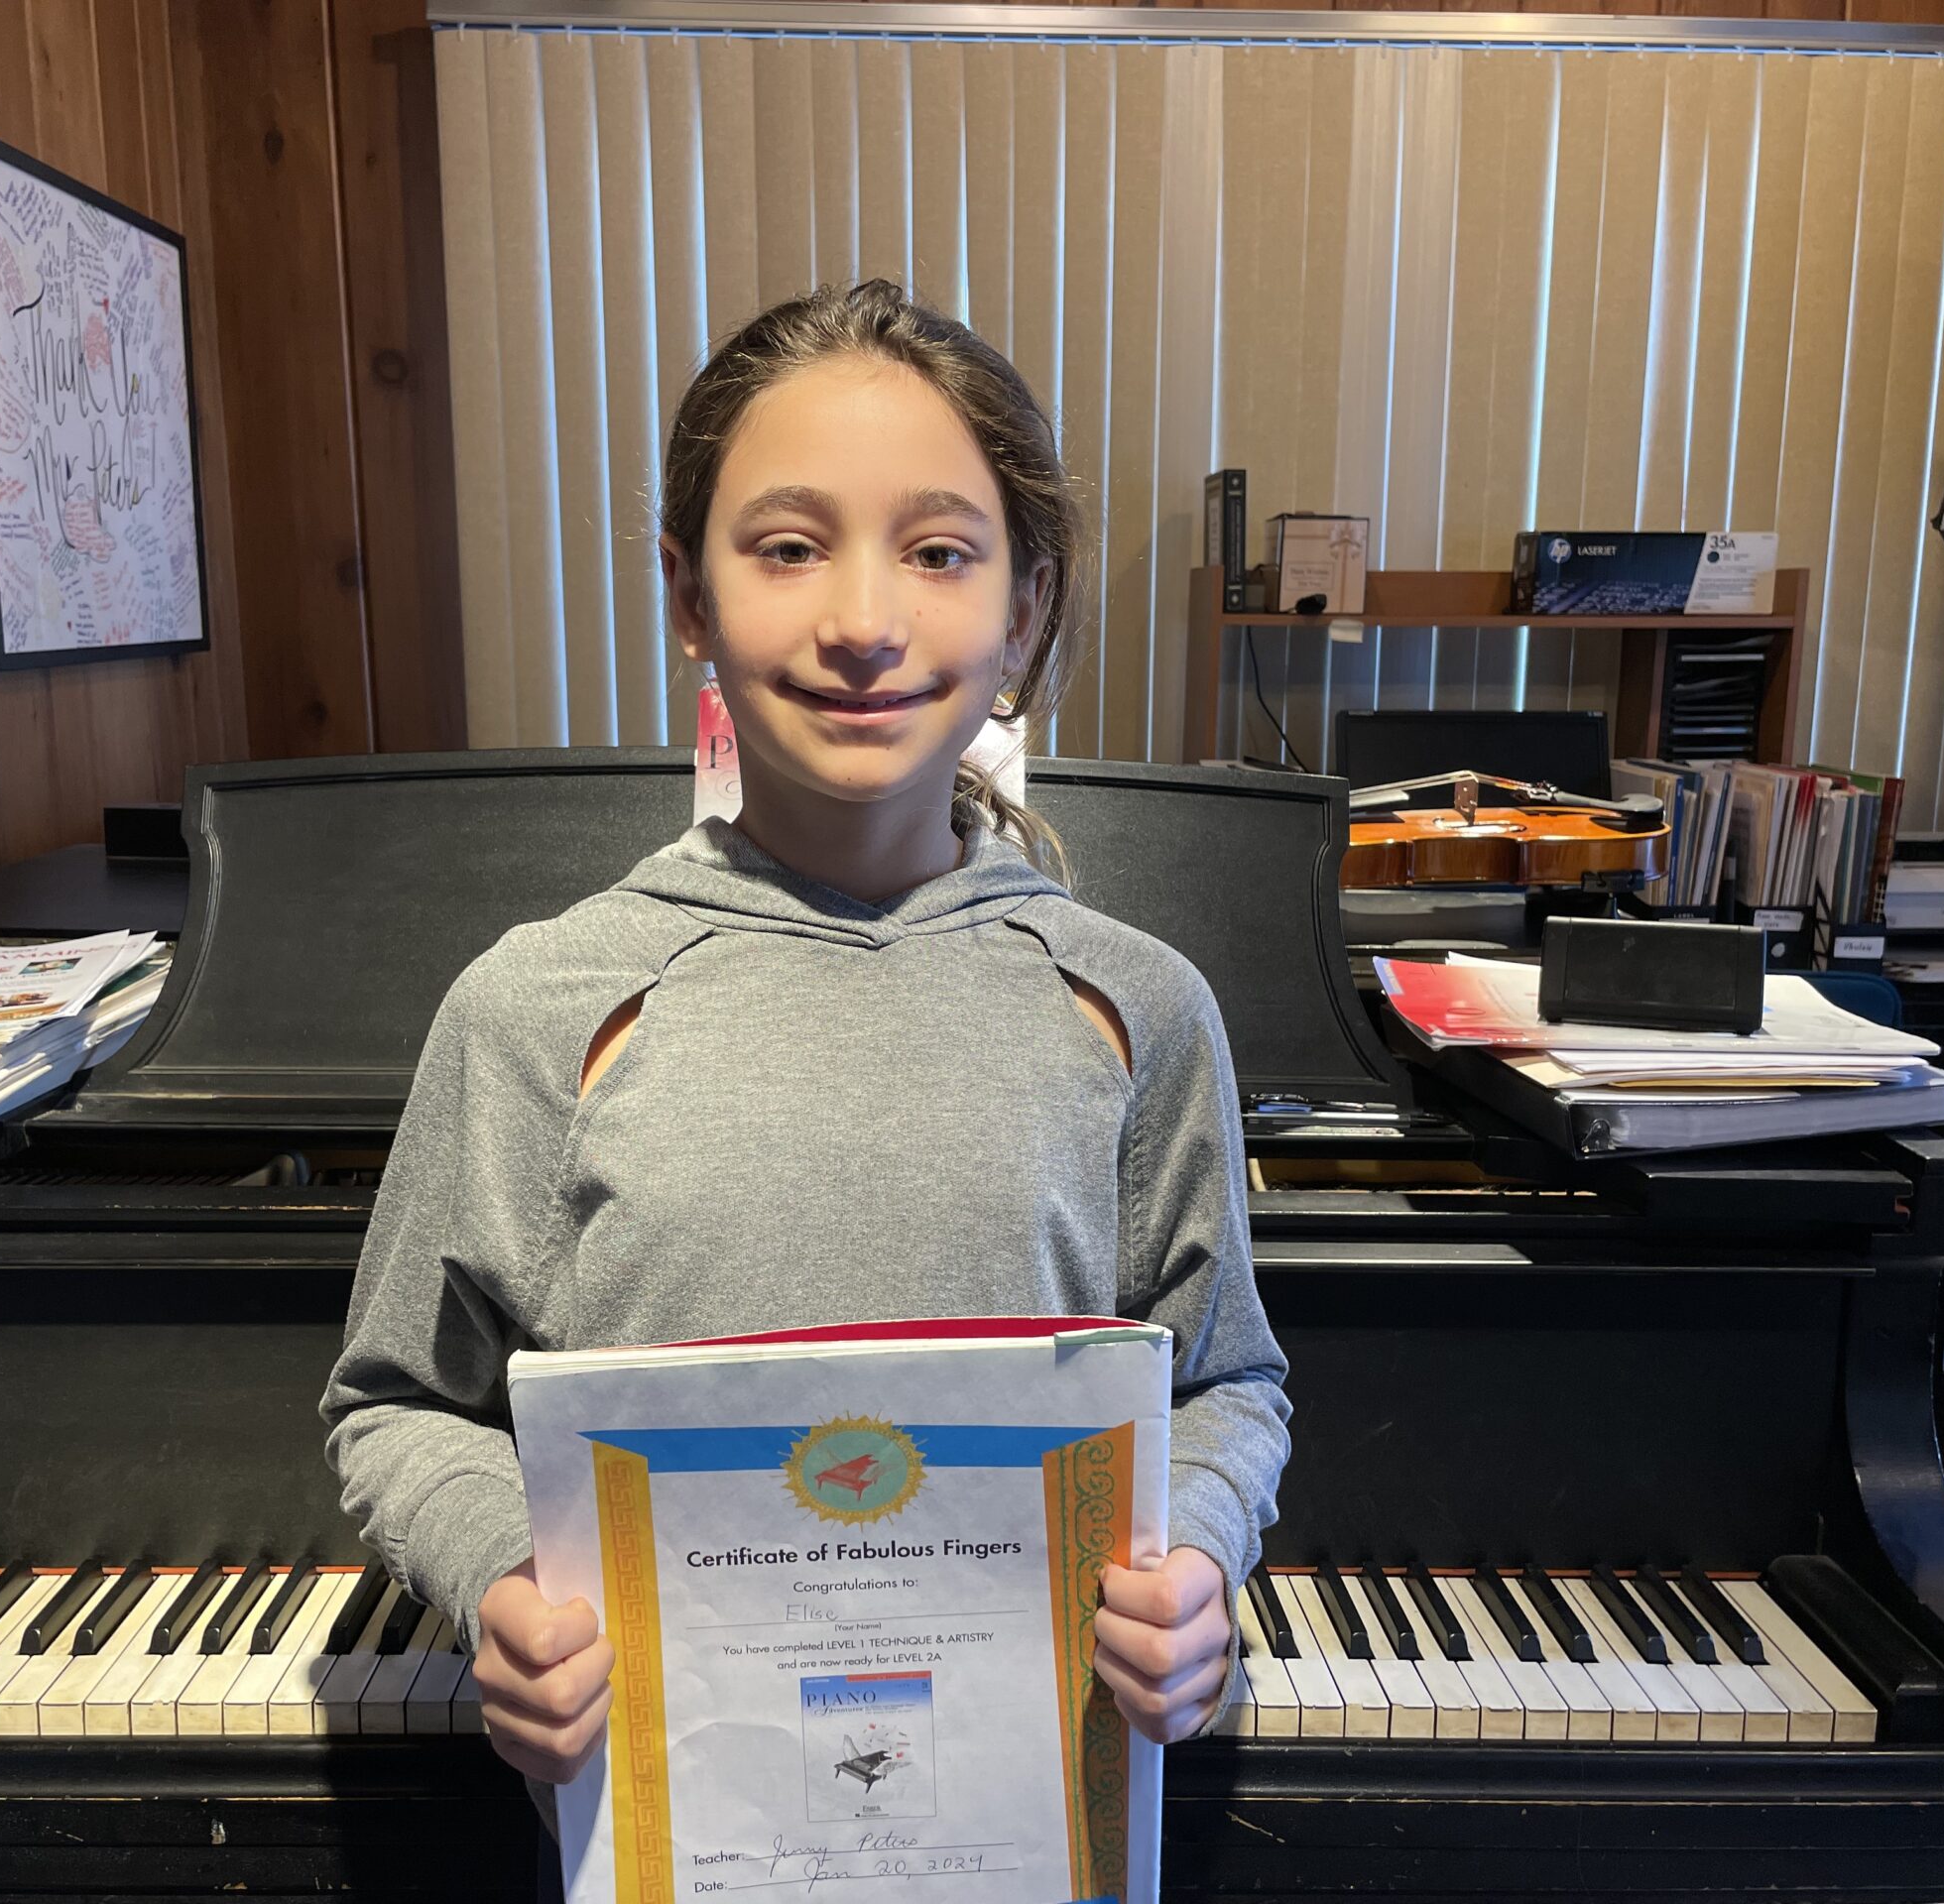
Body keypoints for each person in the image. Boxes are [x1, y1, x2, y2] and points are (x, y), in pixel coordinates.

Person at [318, 278, 1290, 1894]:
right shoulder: (535, 1006)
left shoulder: (1139, 1009)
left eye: (939, 549)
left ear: (1027, 606)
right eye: (785, 547)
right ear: (687, 596)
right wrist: (500, 1579)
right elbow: (395, 1403)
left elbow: (1225, 1381)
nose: (861, 617)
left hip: (1031, 1834)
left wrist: (1192, 1547)